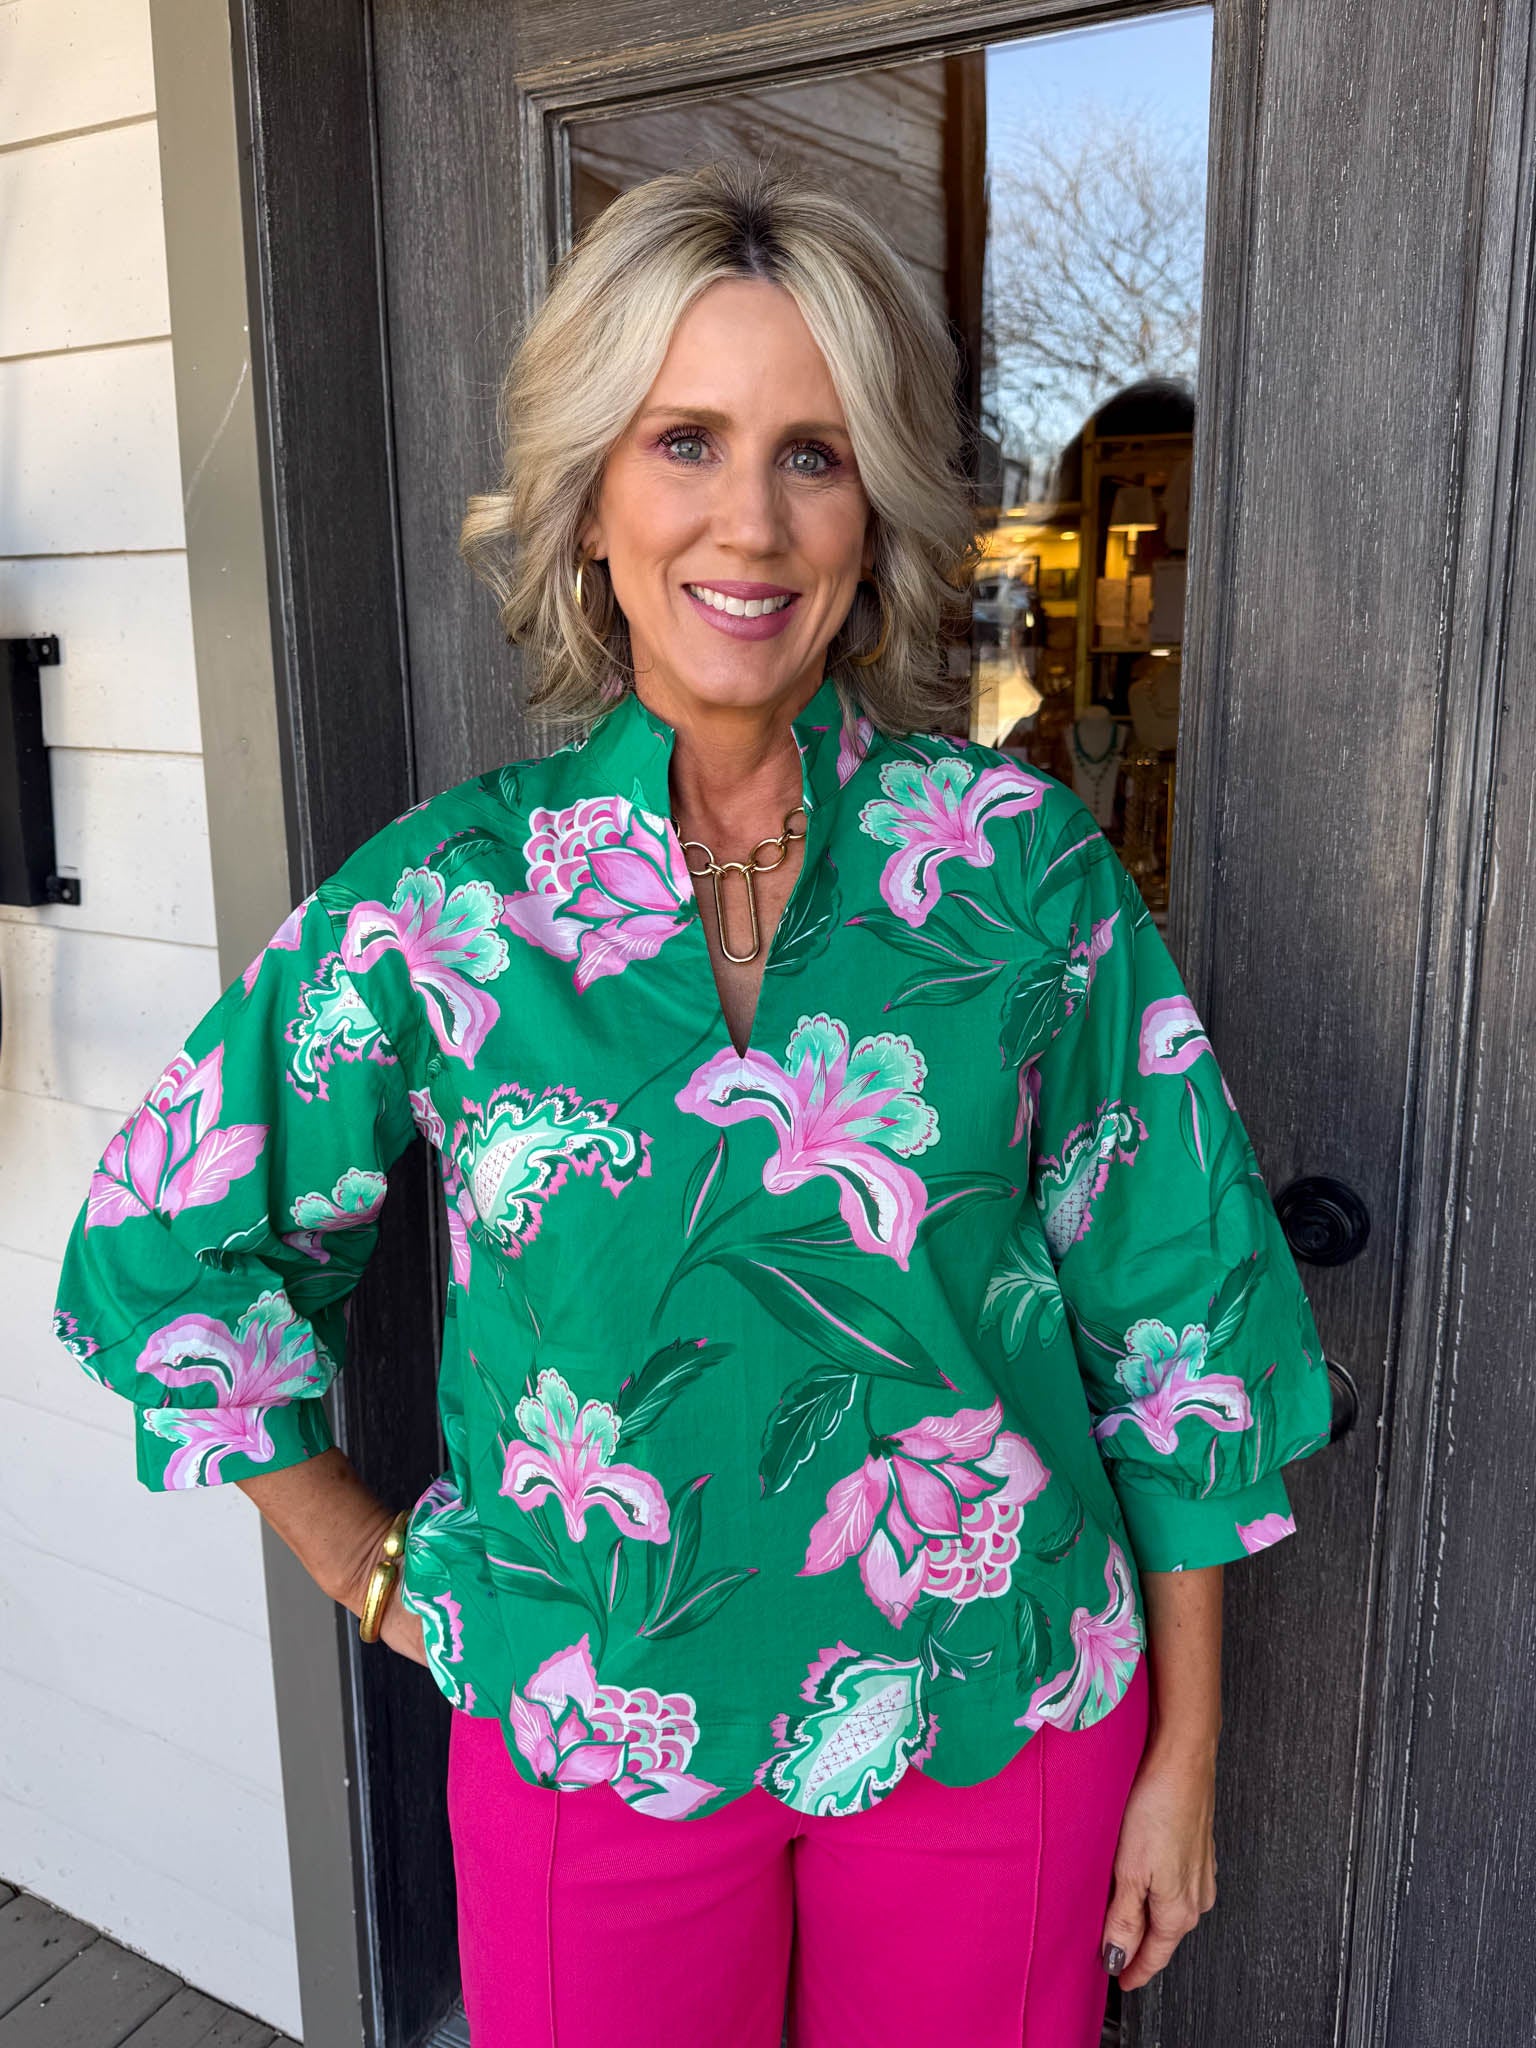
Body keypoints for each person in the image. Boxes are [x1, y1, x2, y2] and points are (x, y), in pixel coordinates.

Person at [52, 158, 1334, 2048]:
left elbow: (1180, 1323)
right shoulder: (446, 904)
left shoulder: (1021, 875)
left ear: (875, 519)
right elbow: (169, 1246)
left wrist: (1188, 1749)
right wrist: (372, 1564)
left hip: (1000, 1717)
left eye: (815, 454)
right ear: (591, 501)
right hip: (597, 1738)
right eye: (686, 442)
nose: (753, 519)